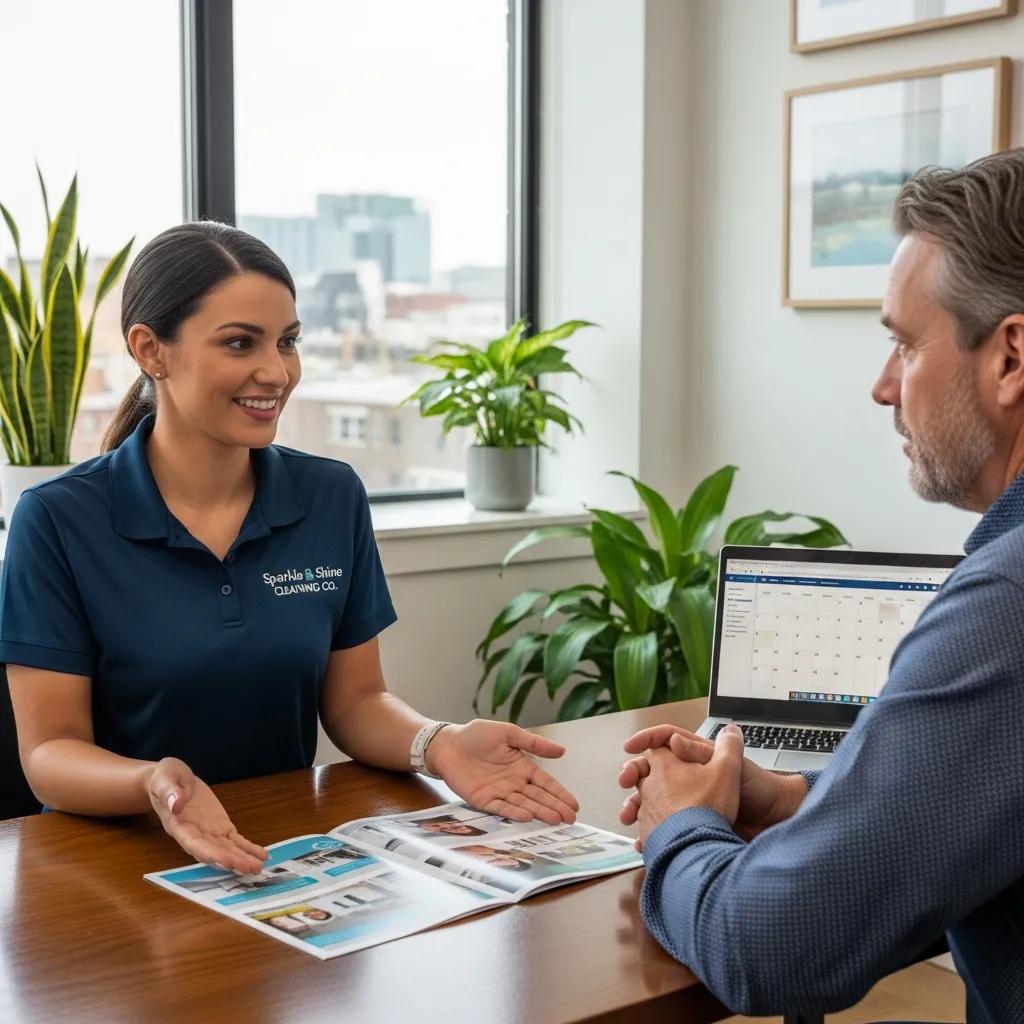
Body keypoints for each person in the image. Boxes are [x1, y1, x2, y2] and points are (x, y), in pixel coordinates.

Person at [2, 222, 578, 876]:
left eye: (288, 341)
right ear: (149, 350)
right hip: (111, 866)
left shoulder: (330, 495)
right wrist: (156, 785)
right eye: (240, 343)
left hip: (279, 853)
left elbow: (356, 703)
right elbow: (50, 752)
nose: (276, 372)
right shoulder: (55, 520)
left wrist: (438, 745)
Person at [618, 149, 1024, 1022]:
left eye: (904, 344)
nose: (884, 387)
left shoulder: (1009, 603)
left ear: (1011, 356)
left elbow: (772, 950)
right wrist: (800, 802)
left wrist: (679, 827)